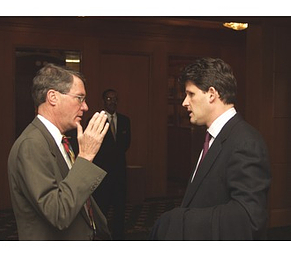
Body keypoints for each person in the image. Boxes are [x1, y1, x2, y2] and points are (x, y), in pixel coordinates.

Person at [151, 57, 271, 240]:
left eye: (191, 94)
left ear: (212, 94)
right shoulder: (213, 137)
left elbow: (248, 219)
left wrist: (180, 220)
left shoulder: (245, 141)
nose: (184, 102)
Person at [8, 63, 111, 240]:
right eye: (79, 98)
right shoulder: (32, 145)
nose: (85, 107)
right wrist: (85, 157)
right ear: (53, 97)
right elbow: (58, 213)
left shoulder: (59, 140)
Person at [91, 89, 131, 240]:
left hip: (120, 173)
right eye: (109, 98)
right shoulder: (95, 121)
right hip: (102, 174)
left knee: (120, 209)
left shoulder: (125, 120)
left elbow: (126, 144)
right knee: (102, 208)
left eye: (115, 99)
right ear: (103, 101)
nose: (112, 101)